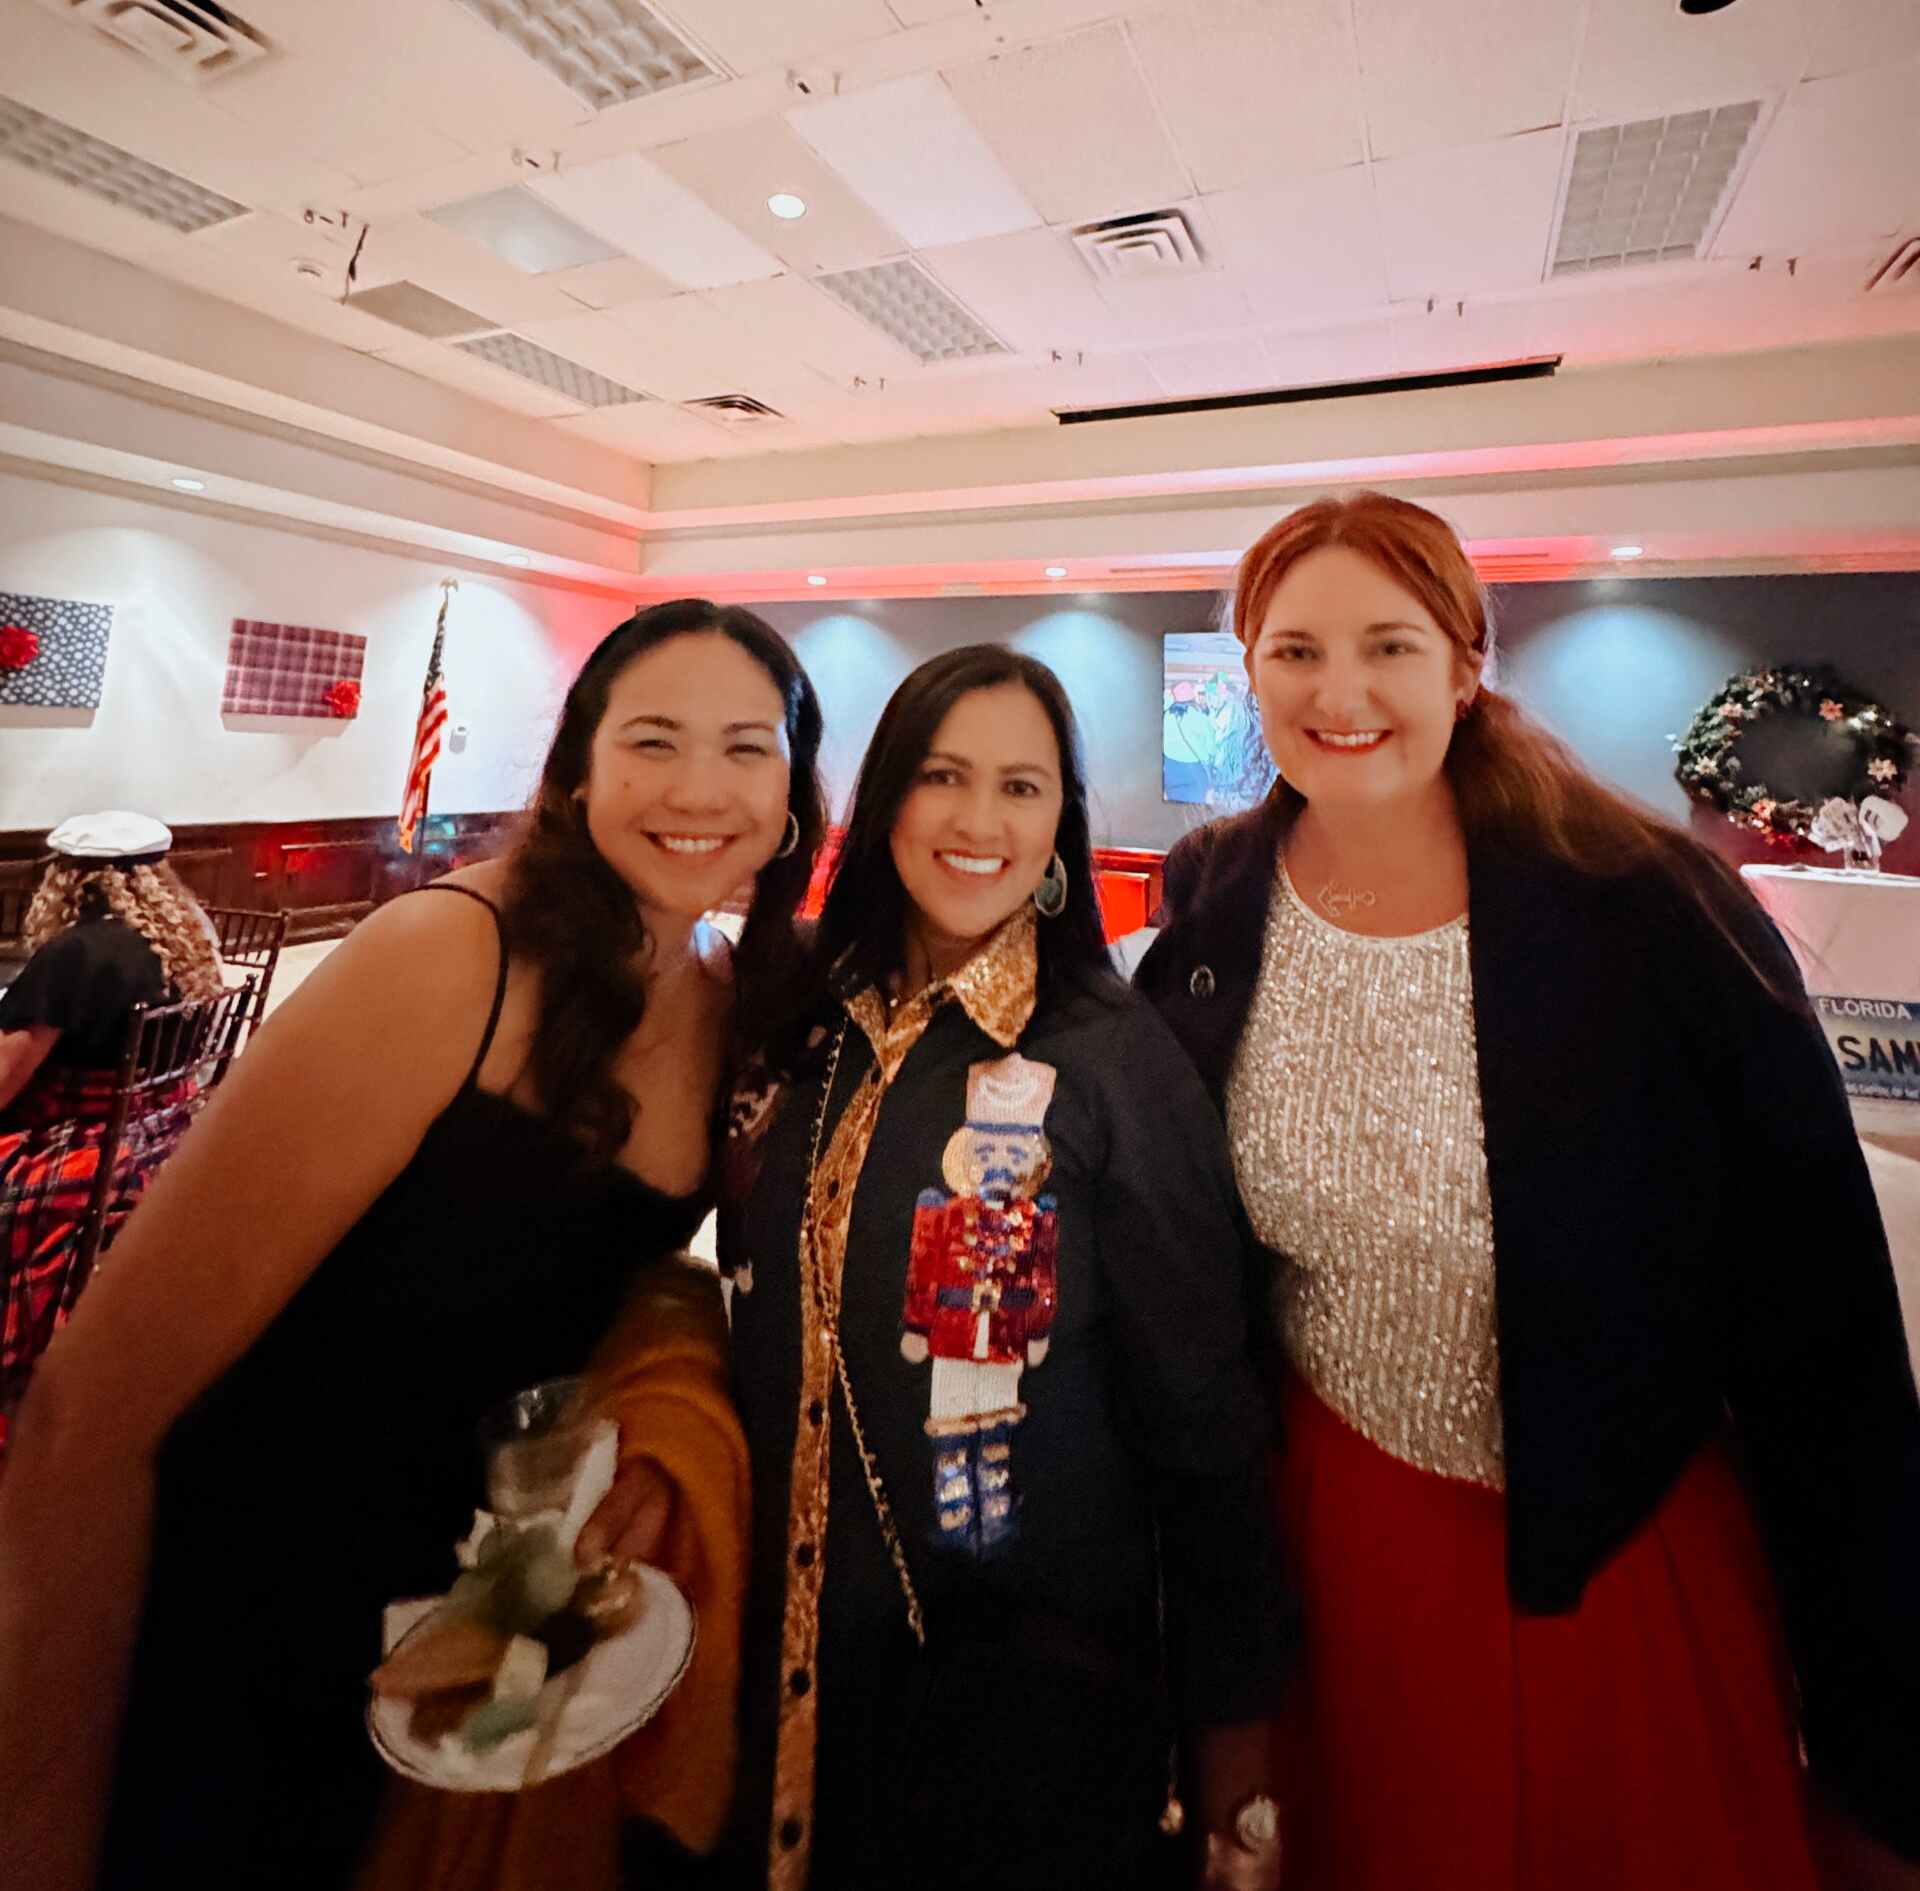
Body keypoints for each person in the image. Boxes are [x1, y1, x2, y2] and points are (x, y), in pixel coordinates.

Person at [1137, 491, 1920, 1891]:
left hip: (1609, 1553)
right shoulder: (1214, 907)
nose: (1339, 693)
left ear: (1462, 665)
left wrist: (1883, 1741)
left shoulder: (1647, 905)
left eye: (1388, 645)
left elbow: (1823, 1333)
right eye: (1295, 651)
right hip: (1332, 1552)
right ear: (1249, 670)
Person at [0, 599, 826, 1891]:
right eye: (653, 740)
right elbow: (87, 1414)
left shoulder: (727, 997)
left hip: (465, 1617)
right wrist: (41, 1826)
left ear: (790, 800)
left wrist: (653, 1432)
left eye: (745, 748)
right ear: (580, 770)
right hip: (252, 1598)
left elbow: (617, 1277)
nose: (698, 789)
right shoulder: (452, 954)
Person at [723, 643, 1293, 1891]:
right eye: (943, 775)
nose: (979, 822)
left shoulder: (1114, 1064)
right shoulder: (797, 1018)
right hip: (767, 1679)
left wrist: (1234, 1749)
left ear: (1059, 827)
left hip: (1019, 1722)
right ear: (886, 802)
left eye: (1021, 787)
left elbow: (1206, 1426)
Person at [0, 814, 225, 1456]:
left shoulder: (75, 954)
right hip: (162, 1136)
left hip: (84, 1150)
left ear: (68, 879)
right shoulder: (190, 941)